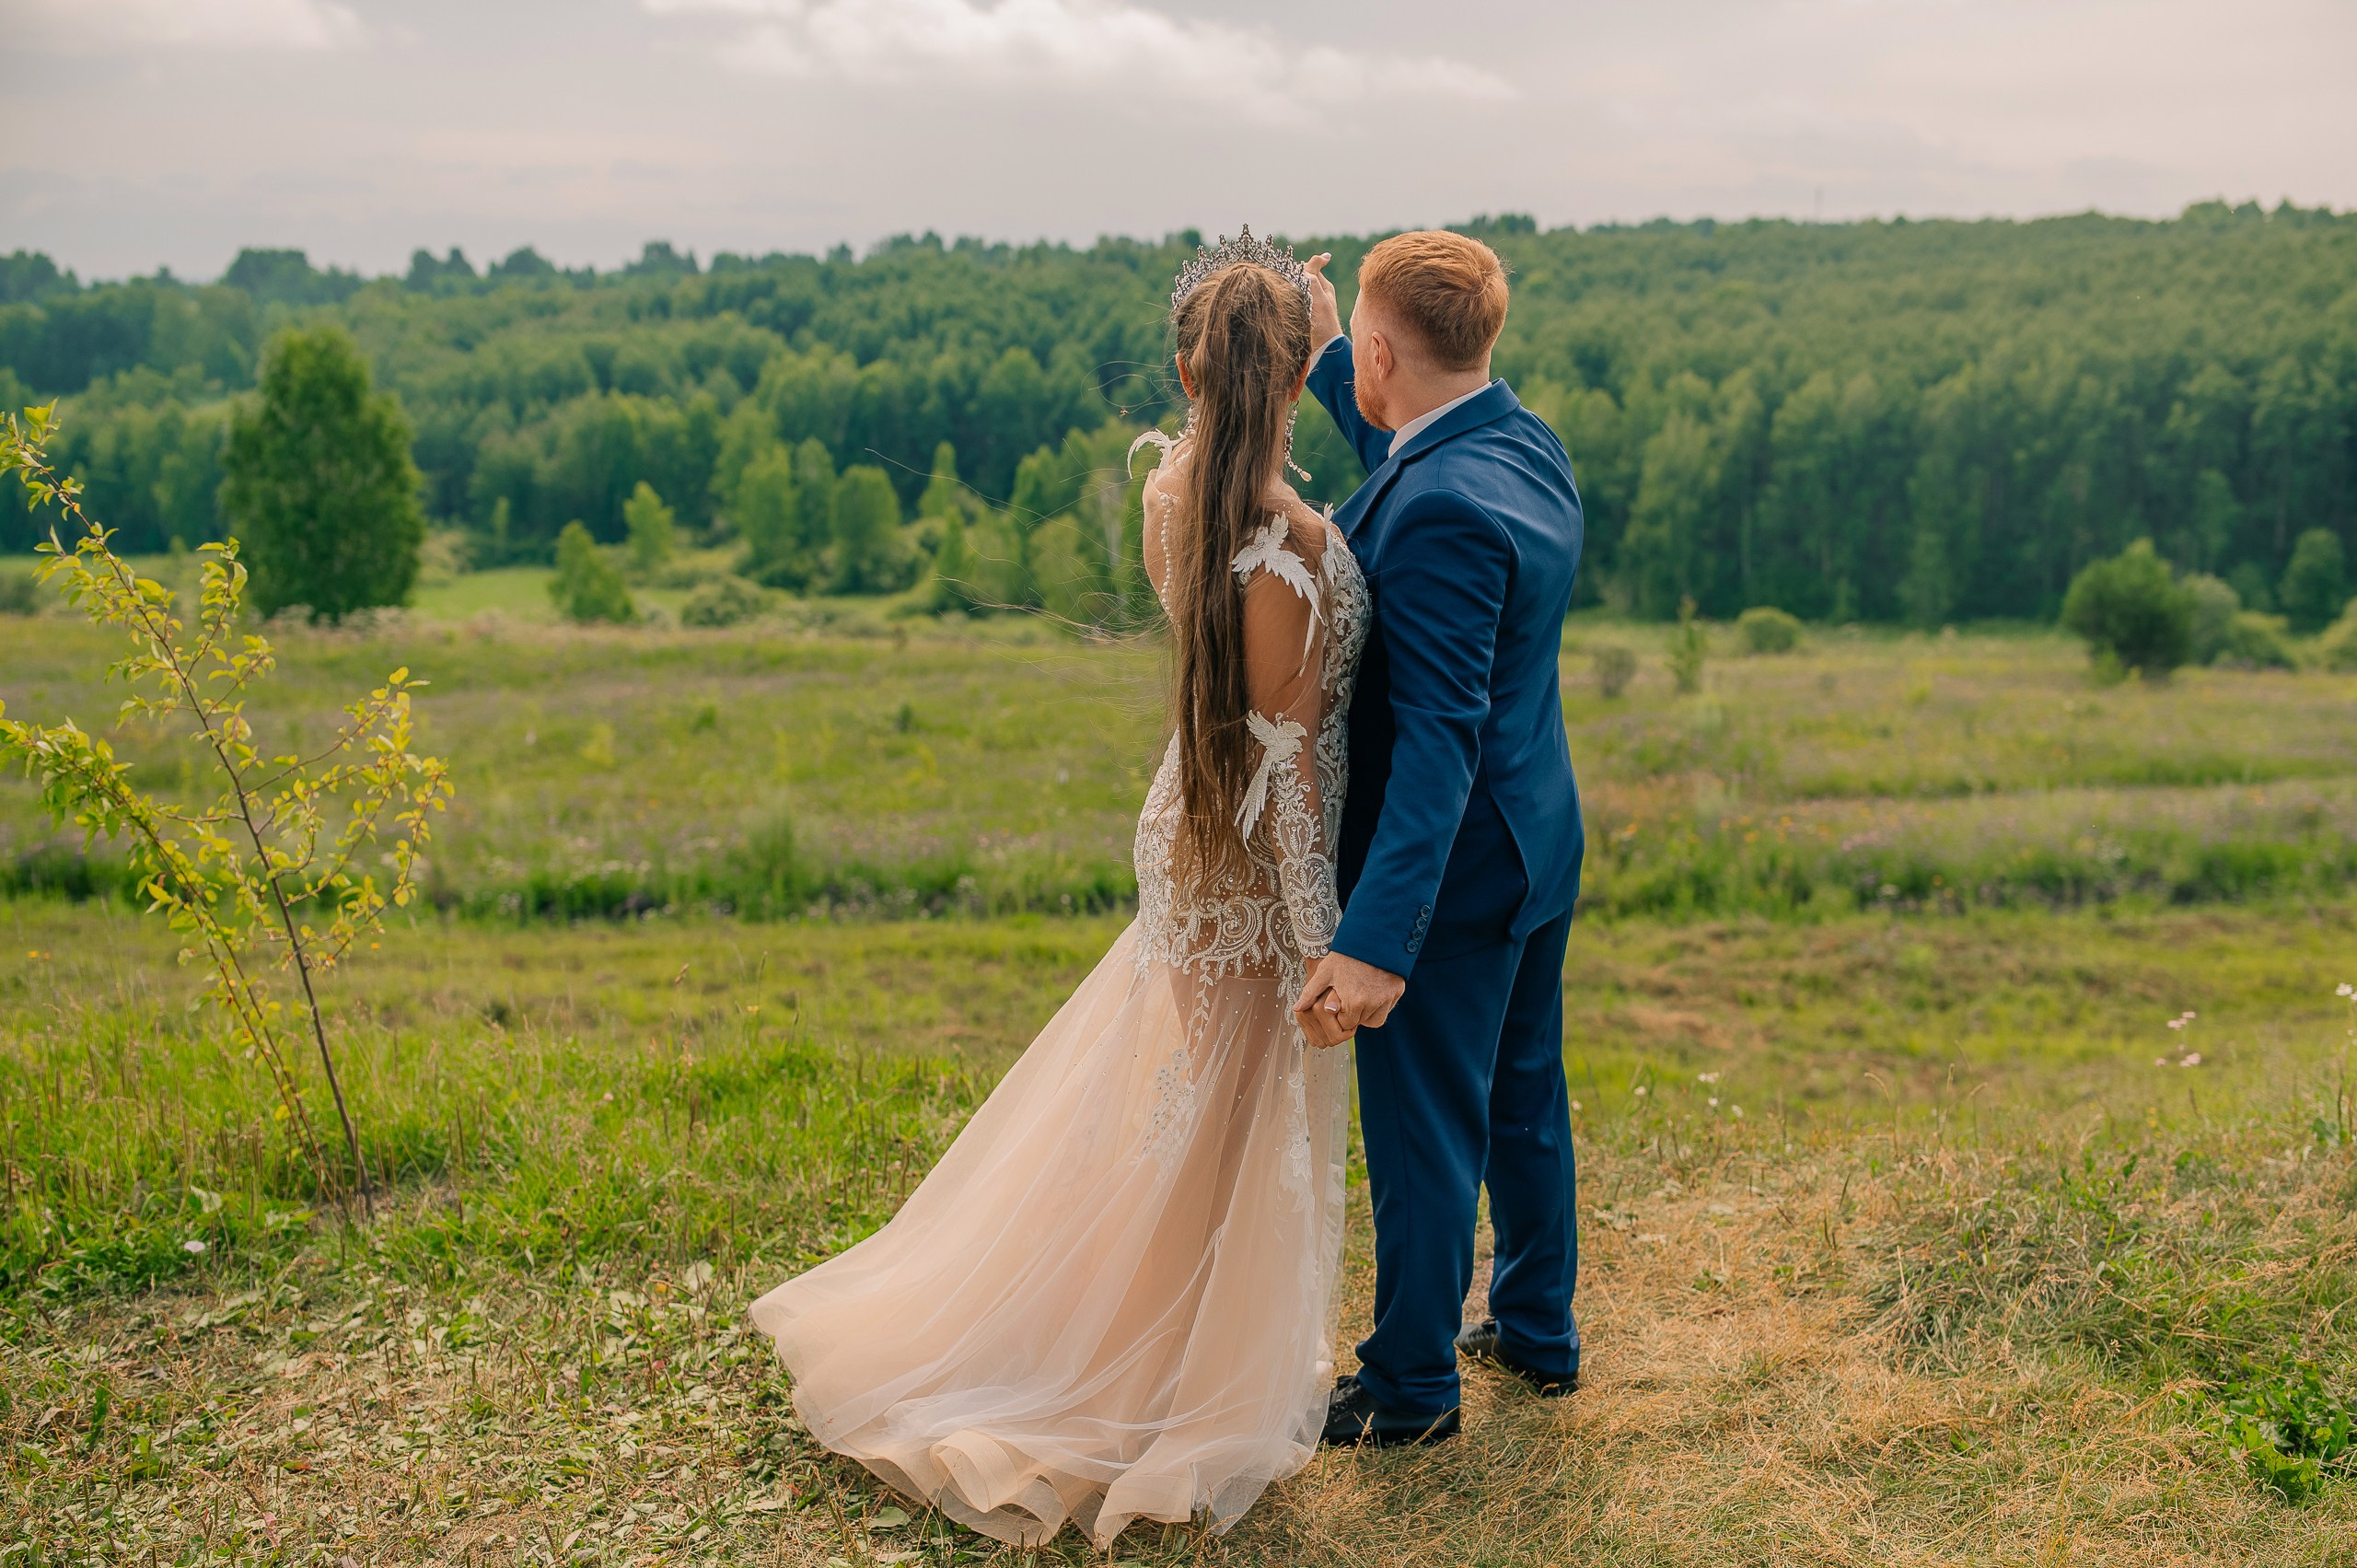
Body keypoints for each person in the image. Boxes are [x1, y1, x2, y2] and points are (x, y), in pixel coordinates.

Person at [747, 230, 1367, 1550]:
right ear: (1300, 373)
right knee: (1221, 1131)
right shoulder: (1288, 545)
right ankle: (1148, 1375)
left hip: (1189, 831)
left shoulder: (1176, 489)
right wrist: (1327, 940)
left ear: (1189, 371)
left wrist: (1292, 324)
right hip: (1249, 866)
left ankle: (1154, 1340)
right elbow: (1289, 773)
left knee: (1185, 1122)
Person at [1291, 230, 1588, 1447]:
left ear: (1388, 350)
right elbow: (1406, 456)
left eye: (1358, 344)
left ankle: (1410, 1390)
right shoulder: (1518, 445)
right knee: (1521, 1096)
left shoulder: (1446, 512)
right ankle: (1535, 1328)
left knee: (1423, 1136)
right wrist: (1327, 360)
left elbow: (1437, 744)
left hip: (1455, 871)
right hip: (1539, 838)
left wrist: (1376, 943)